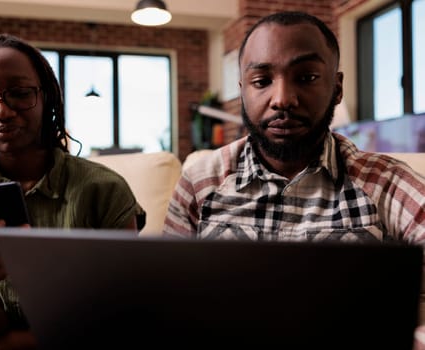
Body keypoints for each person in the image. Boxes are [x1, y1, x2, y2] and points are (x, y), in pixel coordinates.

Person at [162, 10, 425, 347]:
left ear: (337, 87)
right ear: (243, 90)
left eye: (307, 77)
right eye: (261, 81)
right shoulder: (201, 182)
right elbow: (167, 302)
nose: (283, 99)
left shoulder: (386, 184)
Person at [0, 33, 144, 349]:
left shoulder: (103, 190)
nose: (2, 111)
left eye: (20, 93)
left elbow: (115, 324)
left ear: (46, 96)